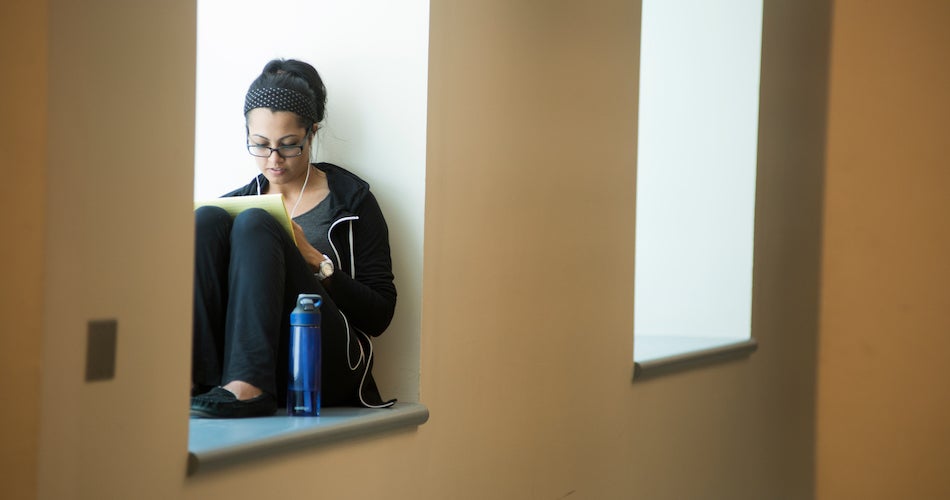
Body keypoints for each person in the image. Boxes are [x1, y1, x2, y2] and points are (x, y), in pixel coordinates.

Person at [190, 59, 397, 418]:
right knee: (206, 219)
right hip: (243, 359)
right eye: (260, 144)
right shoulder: (236, 204)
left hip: (324, 362)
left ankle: (248, 387)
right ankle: (200, 382)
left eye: (288, 145)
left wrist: (315, 259)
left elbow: (380, 316)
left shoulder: (351, 201)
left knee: (257, 223)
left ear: (311, 133)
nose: (273, 160)